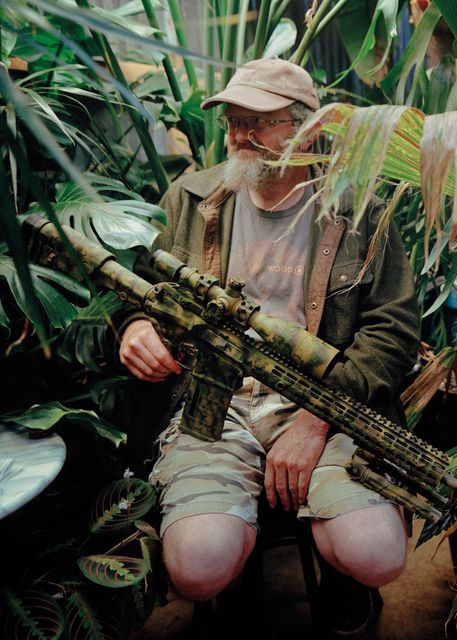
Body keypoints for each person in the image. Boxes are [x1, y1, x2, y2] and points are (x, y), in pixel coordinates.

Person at [116, 59, 420, 633]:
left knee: (377, 554)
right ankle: (238, 574)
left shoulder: (358, 210)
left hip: (325, 404)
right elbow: (134, 287)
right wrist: (135, 327)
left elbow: (393, 333)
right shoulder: (191, 199)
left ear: (307, 128)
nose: (240, 135)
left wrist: (316, 420)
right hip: (215, 404)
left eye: (258, 121)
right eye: (234, 121)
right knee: (198, 567)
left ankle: (342, 575)